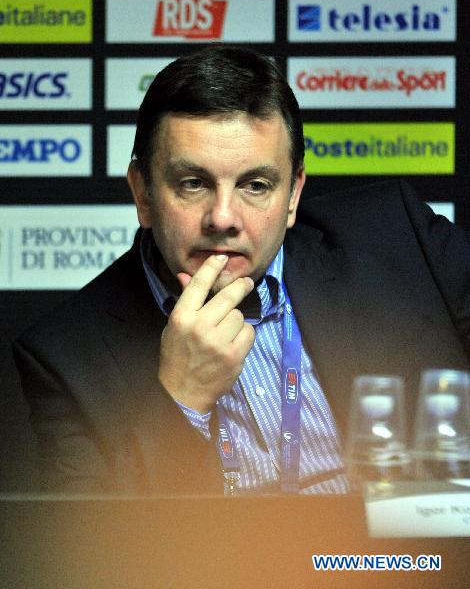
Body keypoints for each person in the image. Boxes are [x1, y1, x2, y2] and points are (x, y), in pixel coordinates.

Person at [12, 45, 470, 496]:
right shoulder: (65, 357)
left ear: (292, 195)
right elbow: (92, 551)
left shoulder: (399, 236)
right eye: (193, 183)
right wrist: (180, 401)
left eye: (255, 185)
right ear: (143, 194)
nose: (224, 218)